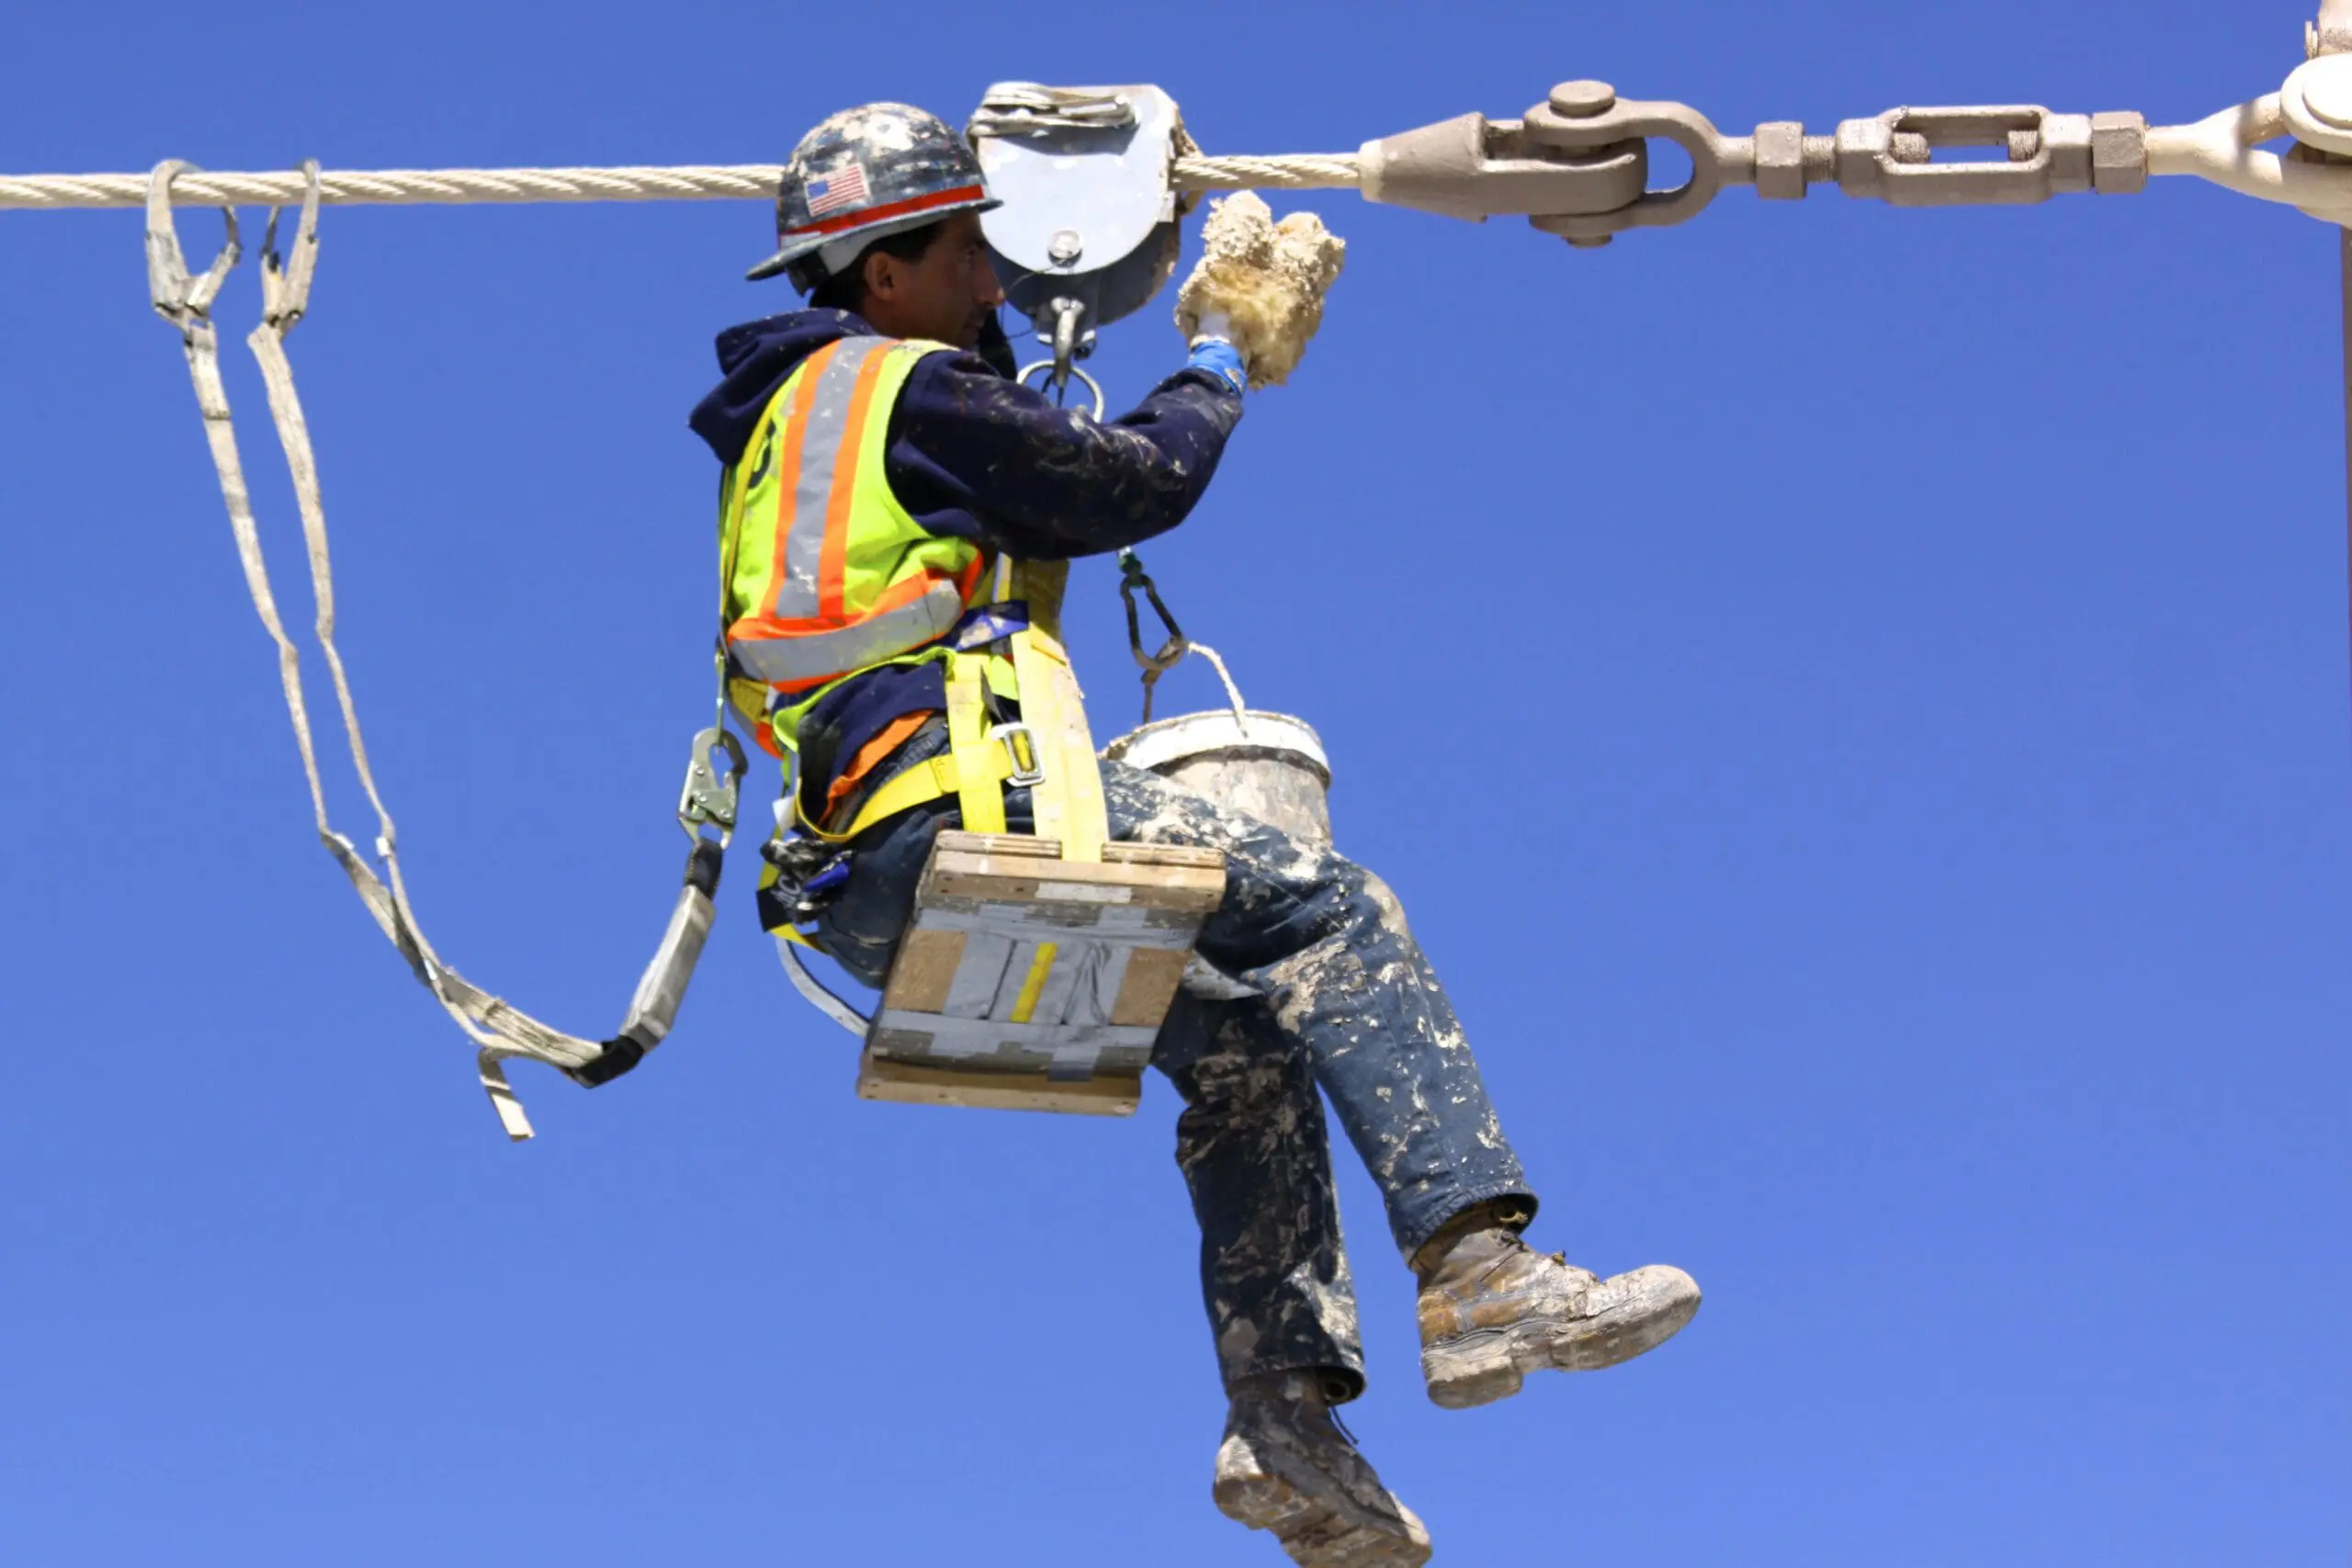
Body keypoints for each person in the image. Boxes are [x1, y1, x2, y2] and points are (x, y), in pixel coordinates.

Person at [683, 102, 1702, 1568]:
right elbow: (1130, 483)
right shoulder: (897, 382)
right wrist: (1220, 357)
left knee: (1239, 1045)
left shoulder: (793, 433)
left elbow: (977, 517)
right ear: (883, 271)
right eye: (972, 251)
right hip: (960, 804)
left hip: (860, 878)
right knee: (1333, 912)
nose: (997, 281)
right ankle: (1478, 1268)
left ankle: (1282, 1422)